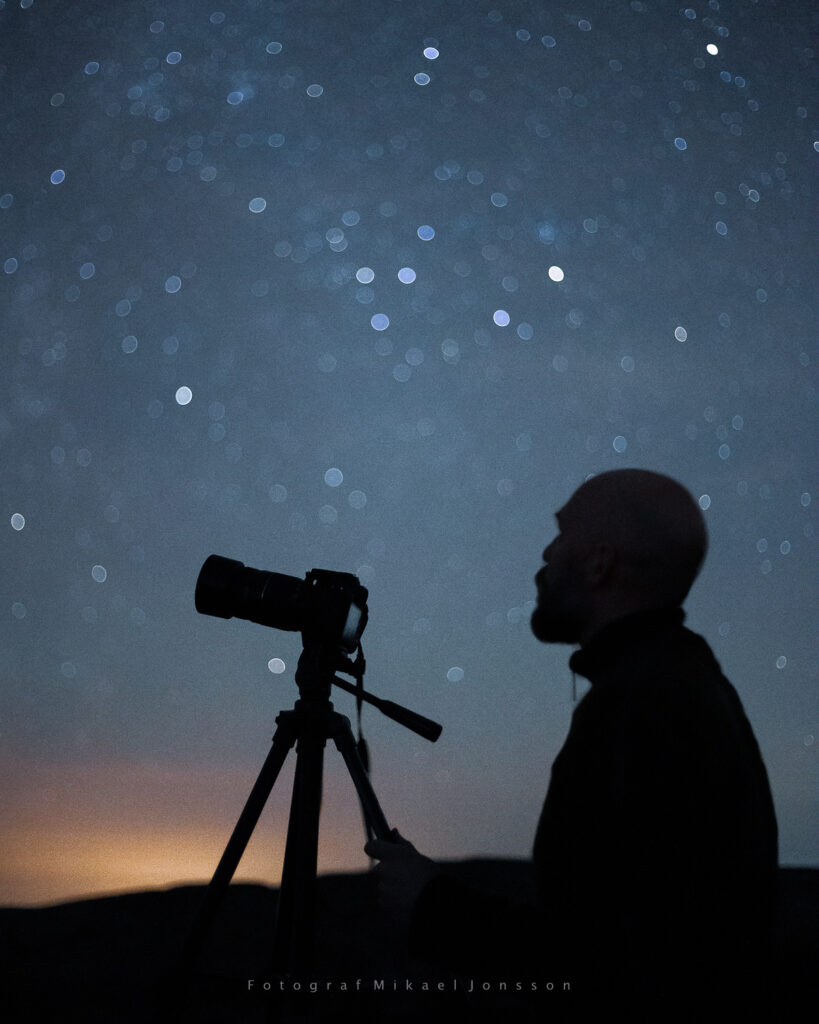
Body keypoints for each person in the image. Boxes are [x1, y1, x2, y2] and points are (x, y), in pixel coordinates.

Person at [366, 469, 778, 1020]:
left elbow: (611, 959)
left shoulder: (646, 703)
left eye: (561, 535)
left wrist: (433, 907)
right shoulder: (680, 684)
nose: (544, 555)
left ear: (599, 563)